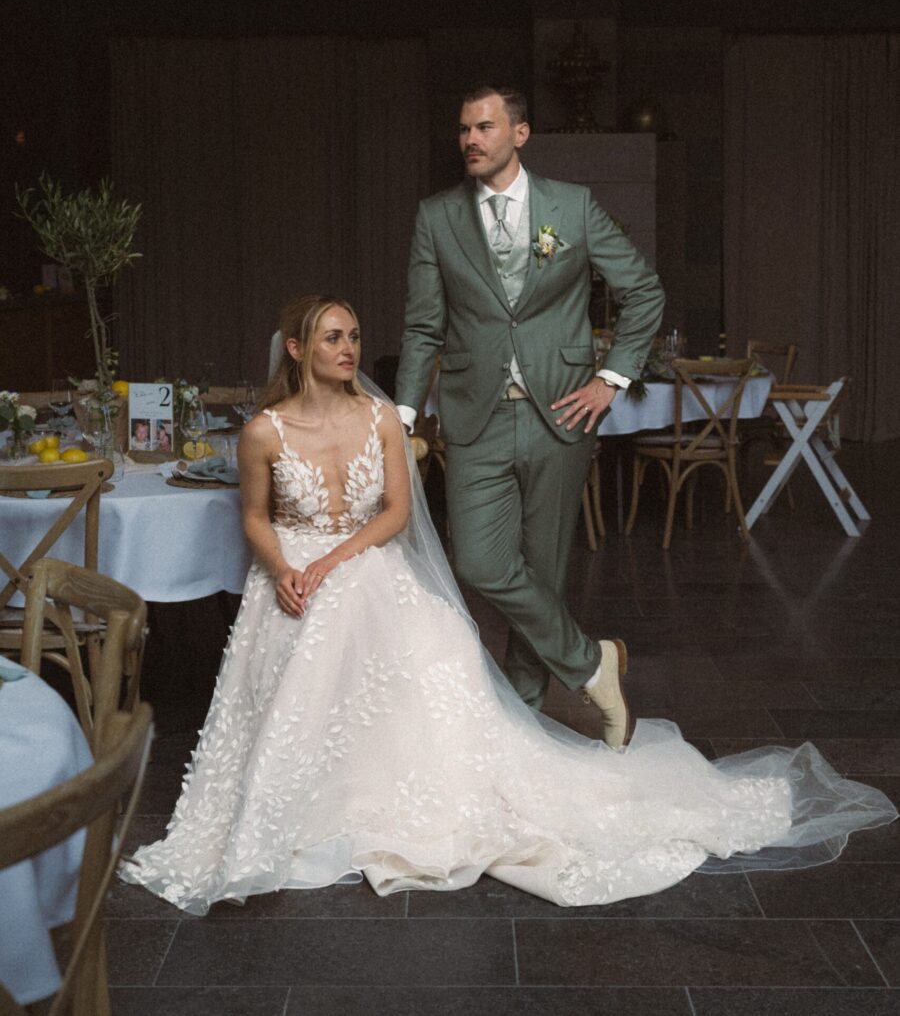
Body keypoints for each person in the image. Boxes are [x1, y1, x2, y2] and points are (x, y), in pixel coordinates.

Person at [119, 293, 894, 917]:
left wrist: (330, 560)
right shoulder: (262, 431)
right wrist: (285, 567)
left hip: (358, 565)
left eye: (354, 335)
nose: (348, 349)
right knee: (308, 654)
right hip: (288, 579)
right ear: (296, 349)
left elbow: (394, 511)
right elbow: (253, 515)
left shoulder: (382, 418)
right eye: (331, 338)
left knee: (429, 653)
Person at [395, 85, 664, 737]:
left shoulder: (571, 208)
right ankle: (590, 662)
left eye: (484, 126)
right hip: (474, 415)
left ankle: (521, 727)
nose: (470, 139)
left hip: (562, 414)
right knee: (480, 562)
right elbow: (424, 326)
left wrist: (610, 378)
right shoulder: (437, 217)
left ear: (520, 134)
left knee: (543, 572)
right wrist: (402, 419)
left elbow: (644, 291)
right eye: (463, 129)